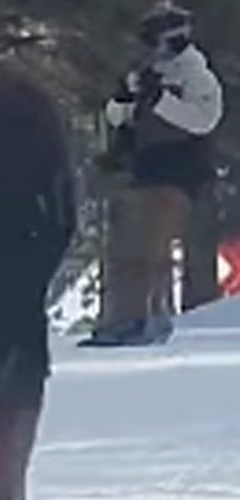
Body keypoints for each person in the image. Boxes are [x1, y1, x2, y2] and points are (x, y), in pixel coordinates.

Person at [82, 2, 223, 347]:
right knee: (128, 245)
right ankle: (122, 318)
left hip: (178, 171)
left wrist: (161, 101)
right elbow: (119, 117)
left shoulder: (195, 75)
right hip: (145, 168)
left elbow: (204, 119)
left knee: (152, 245)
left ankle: (146, 317)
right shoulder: (148, 72)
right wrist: (126, 97)